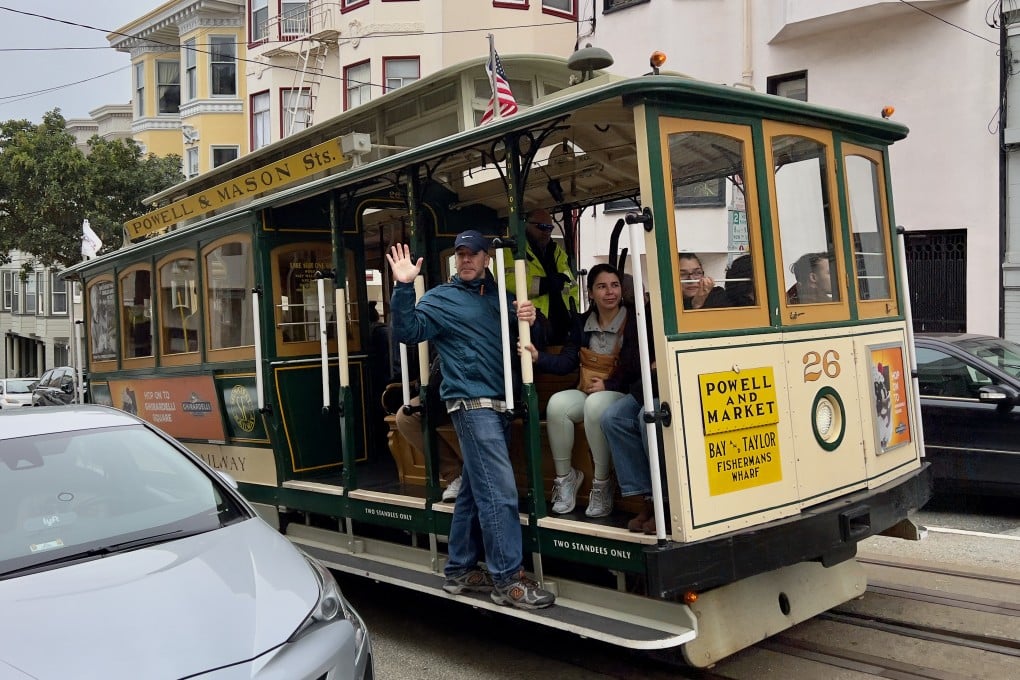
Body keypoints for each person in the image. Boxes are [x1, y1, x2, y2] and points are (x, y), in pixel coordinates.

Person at [387, 231, 555, 610]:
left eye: (472, 254)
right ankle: (508, 580)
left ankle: (460, 570)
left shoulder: (499, 299)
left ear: (485, 259)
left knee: (474, 492)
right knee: (500, 492)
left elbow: (536, 335)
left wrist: (531, 317)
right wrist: (402, 287)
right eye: (460, 254)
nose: (465, 260)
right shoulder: (441, 299)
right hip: (471, 405)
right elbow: (408, 331)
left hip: (500, 406)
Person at [524, 263, 638, 518]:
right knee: (557, 405)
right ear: (590, 293)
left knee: (595, 406)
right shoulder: (582, 323)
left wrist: (609, 385)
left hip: (622, 392)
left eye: (615, 285)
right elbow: (566, 362)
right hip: (587, 390)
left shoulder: (634, 320)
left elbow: (636, 363)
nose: (610, 292)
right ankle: (566, 478)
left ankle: (602, 482)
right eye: (602, 286)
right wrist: (537, 357)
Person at [505, 208, 578, 344]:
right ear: (526, 225)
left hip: (563, 328)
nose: (547, 232)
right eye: (542, 227)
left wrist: (573, 313)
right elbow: (508, 282)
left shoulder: (557, 252)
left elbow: (572, 287)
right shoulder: (512, 250)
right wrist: (546, 284)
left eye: (550, 228)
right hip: (530, 327)